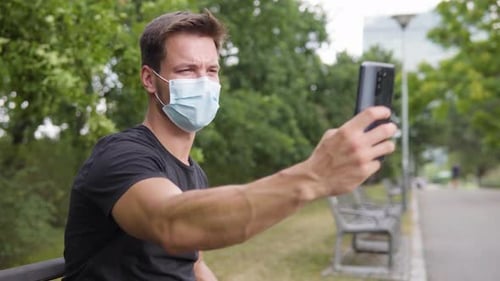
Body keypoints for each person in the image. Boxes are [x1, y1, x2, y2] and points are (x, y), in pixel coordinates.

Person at [63, 10, 397, 281]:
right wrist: (314, 176)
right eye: (187, 70)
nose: (204, 82)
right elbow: (171, 223)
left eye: (211, 70)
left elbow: (193, 265)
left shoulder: (194, 174)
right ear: (150, 79)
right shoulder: (120, 154)